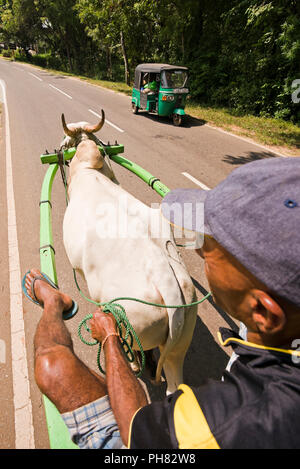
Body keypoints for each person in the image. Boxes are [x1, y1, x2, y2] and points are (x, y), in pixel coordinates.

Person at [23, 156, 300, 449]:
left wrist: (110, 339)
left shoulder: (224, 421)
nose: (198, 251)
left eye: (208, 246)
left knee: (51, 362)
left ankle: (53, 300)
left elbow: (135, 428)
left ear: (263, 312)